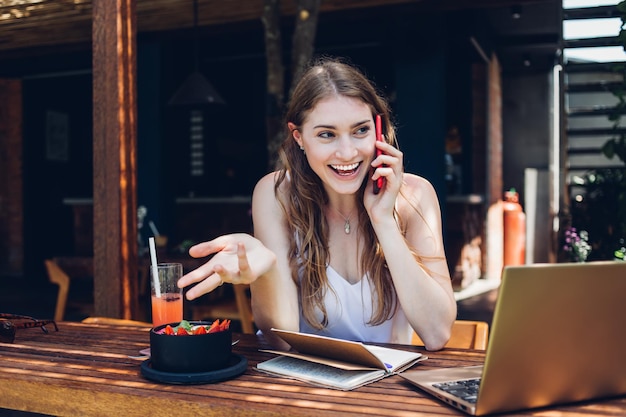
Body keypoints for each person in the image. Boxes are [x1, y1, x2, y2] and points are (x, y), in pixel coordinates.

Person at [177, 57, 456, 351]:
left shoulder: (415, 195)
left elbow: (436, 334)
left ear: (379, 130)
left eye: (361, 130)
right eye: (327, 134)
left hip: (383, 385)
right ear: (299, 138)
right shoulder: (276, 194)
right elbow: (280, 340)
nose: (347, 152)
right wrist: (267, 271)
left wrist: (384, 219)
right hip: (303, 381)